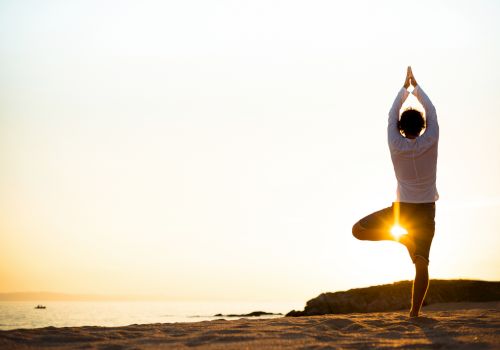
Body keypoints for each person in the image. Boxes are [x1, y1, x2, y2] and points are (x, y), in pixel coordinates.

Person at [352, 66, 439, 317]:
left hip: (402, 211)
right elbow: (432, 112)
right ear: (423, 126)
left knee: (358, 230)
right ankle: (414, 314)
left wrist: (404, 89)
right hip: (424, 211)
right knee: (421, 263)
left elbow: (391, 116)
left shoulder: (395, 143)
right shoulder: (430, 139)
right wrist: (416, 88)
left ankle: (399, 238)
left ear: (401, 127)